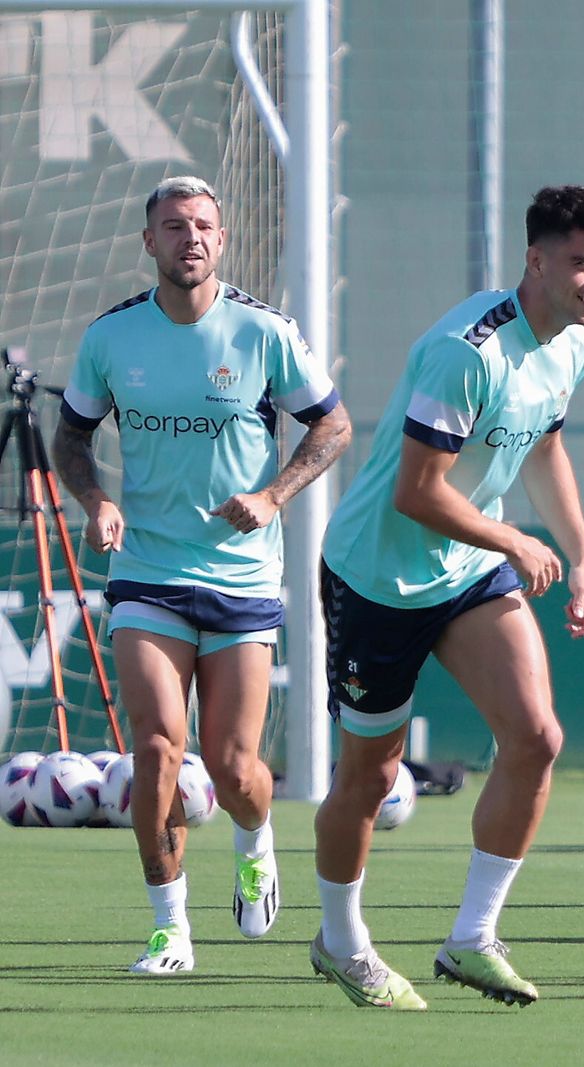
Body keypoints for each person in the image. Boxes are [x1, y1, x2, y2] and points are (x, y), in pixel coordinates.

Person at [310, 186, 584, 1010]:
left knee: (535, 737)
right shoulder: (468, 351)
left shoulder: (573, 347)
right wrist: (518, 540)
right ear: (535, 260)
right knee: (368, 779)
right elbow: (417, 492)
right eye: (582, 263)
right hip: (378, 577)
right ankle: (341, 940)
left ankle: (471, 939)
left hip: (465, 569)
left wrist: (580, 553)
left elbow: (544, 444)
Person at [51, 175, 351, 974]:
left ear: (222, 240)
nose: (191, 238)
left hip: (241, 577)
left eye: (204, 227)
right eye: (174, 226)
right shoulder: (111, 338)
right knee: (155, 749)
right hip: (146, 571)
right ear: (148, 241)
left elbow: (334, 422)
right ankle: (169, 928)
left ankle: (256, 843)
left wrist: (274, 493)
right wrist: (95, 499)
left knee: (233, 765)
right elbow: (71, 434)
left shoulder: (264, 332)